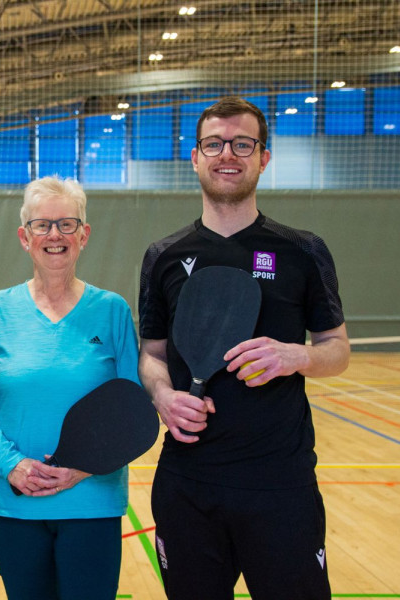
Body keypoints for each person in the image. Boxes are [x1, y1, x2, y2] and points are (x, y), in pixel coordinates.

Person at [138, 96, 350, 600]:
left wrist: (298, 356)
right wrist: (164, 397)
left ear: (263, 157)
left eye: (241, 143)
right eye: (213, 144)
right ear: (195, 157)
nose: (226, 154)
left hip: (281, 483)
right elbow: (152, 353)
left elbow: (337, 348)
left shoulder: (303, 249)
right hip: (188, 483)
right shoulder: (164, 256)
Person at [0, 176, 140, 600]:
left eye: (66, 224)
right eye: (42, 225)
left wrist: (84, 466)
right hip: (14, 499)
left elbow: (131, 409)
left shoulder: (113, 311)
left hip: (92, 501)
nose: (54, 235)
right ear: (25, 237)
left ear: (84, 234)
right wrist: (12, 465)